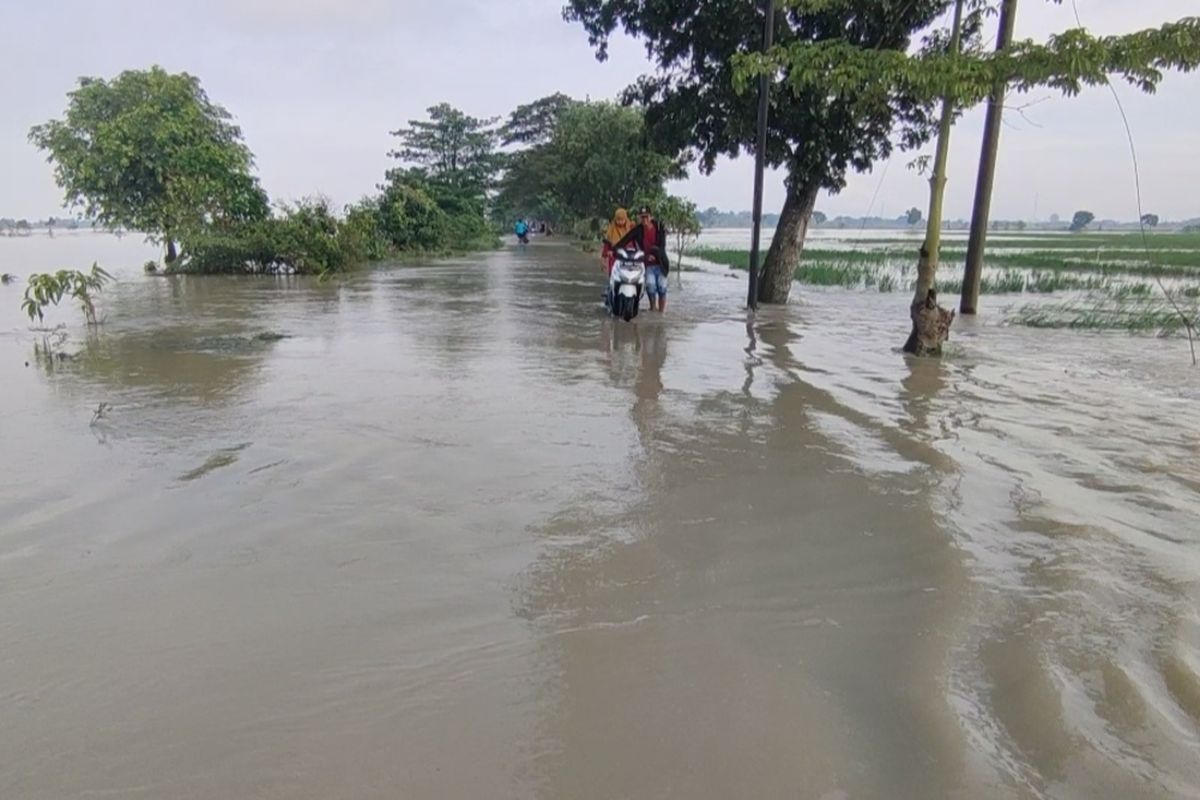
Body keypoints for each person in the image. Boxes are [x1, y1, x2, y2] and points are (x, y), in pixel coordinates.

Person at [613, 206, 670, 312]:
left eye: (646, 217)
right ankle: (653, 309)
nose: (644, 219)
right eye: (642, 217)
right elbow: (625, 240)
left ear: (651, 217)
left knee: (662, 287)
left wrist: (654, 254)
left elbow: (662, 245)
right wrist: (614, 249)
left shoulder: (659, 227)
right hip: (647, 264)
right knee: (650, 286)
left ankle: (661, 313)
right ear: (639, 218)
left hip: (661, 263)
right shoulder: (638, 230)